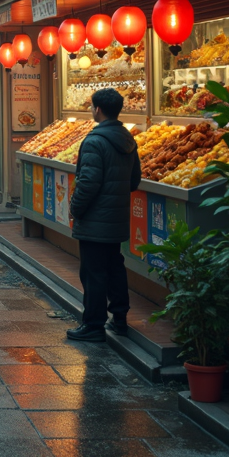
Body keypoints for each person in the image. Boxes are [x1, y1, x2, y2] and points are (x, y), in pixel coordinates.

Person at [66, 87, 142, 342]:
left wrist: (75, 208)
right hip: (117, 219)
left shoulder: (95, 140)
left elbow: (88, 182)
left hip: (95, 220)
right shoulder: (128, 139)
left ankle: (94, 325)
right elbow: (134, 181)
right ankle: (119, 319)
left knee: (94, 272)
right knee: (115, 268)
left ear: (97, 109)